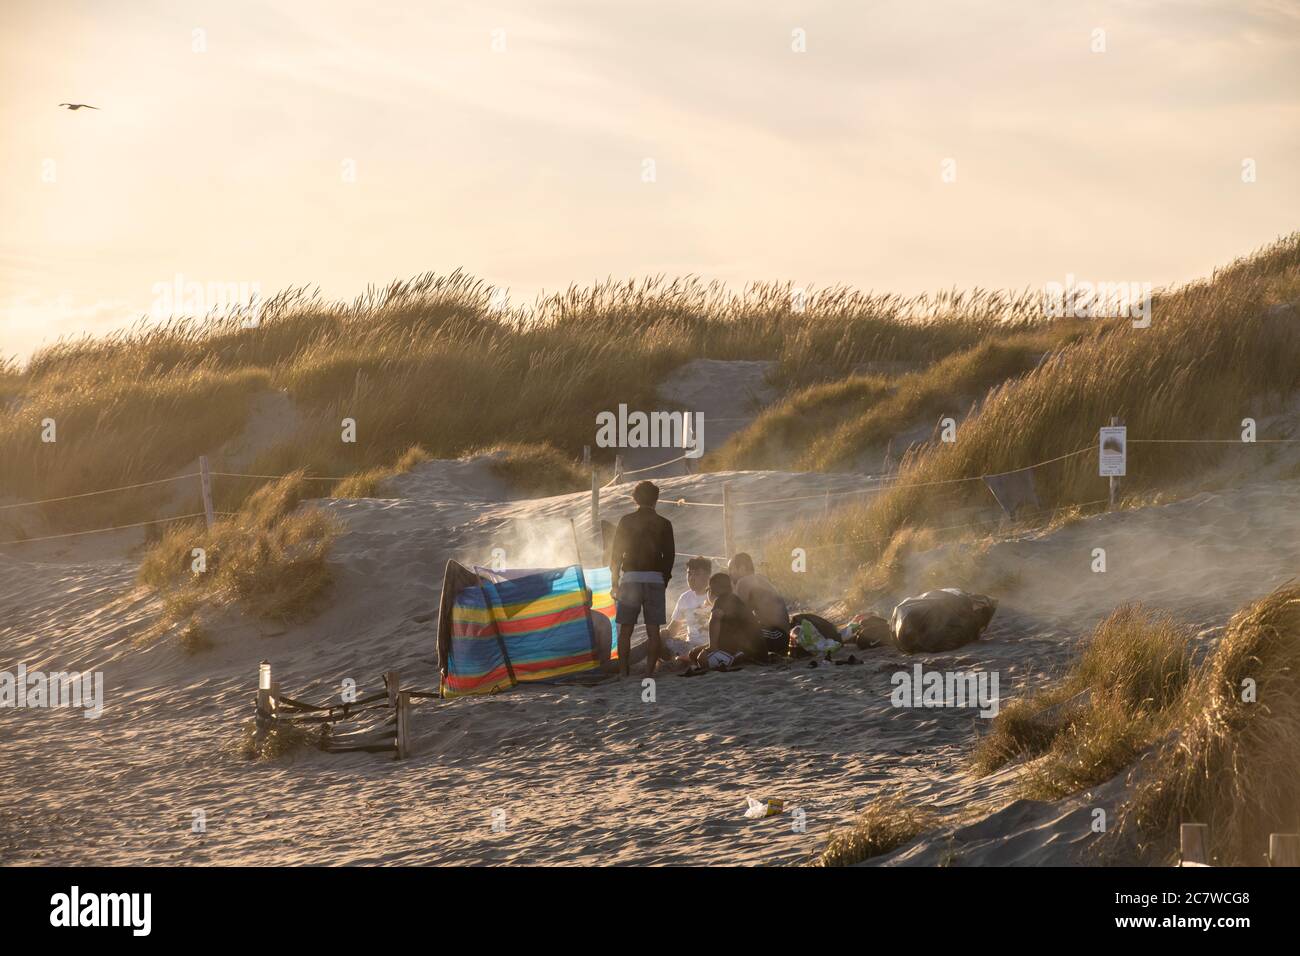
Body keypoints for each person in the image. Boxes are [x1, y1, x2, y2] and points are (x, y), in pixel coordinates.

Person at [609, 480, 676, 676]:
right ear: (656, 499)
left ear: (634, 498)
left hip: (630, 579)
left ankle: (623, 672)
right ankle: (649, 672)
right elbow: (669, 556)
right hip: (655, 579)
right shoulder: (664, 523)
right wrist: (664, 580)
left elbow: (616, 554)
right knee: (653, 630)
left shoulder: (626, 521)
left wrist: (615, 581)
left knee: (626, 629)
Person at [727, 552, 791, 656]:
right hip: (780, 635)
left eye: (731, 569)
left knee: (736, 636)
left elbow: (736, 613)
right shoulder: (760, 579)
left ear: (742, 568)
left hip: (777, 635)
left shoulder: (744, 581)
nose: (729, 573)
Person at [703, 572, 768, 666]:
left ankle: (736, 659)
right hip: (759, 651)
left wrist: (712, 647)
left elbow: (715, 619)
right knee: (695, 652)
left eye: (709, 589)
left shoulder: (722, 600)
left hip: (746, 651)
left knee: (701, 658)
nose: (709, 592)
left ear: (714, 589)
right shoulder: (735, 600)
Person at [663, 556, 712, 660]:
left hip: (710, 647)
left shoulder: (714, 595)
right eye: (689, 573)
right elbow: (675, 626)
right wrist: (664, 635)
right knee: (659, 641)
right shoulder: (685, 597)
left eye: (697, 574)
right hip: (689, 645)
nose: (691, 578)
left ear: (708, 576)